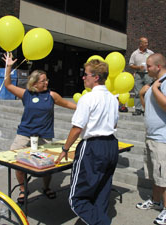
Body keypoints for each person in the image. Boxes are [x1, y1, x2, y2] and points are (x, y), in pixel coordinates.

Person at [3, 53, 76, 204]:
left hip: (44, 135)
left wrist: (87, 108)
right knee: (17, 162)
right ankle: (23, 189)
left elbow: (69, 105)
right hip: (25, 134)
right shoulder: (26, 94)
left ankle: (46, 187)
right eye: (43, 81)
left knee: (46, 165)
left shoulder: (52, 95)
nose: (47, 82)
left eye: (46, 79)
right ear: (35, 83)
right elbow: (8, 85)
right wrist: (9, 66)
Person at [56, 59, 119, 225]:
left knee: (77, 198)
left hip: (93, 147)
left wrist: (65, 148)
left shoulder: (88, 98)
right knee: (102, 191)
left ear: (96, 77)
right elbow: (114, 124)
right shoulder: (113, 99)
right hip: (111, 145)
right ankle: (100, 219)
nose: (83, 78)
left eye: (86, 75)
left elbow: (77, 128)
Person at [137, 53, 166, 224]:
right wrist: (143, 95)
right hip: (152, 136)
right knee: (156, 174)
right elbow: (148, 108)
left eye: (148, 66)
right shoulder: (153, 84)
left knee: (165, 175)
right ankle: (156, 201)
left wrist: (155, 89)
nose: (145, 69)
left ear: (158, 66)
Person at [129, 37, 154, 115]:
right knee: (137, 92)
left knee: (148, 92)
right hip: (138, 74)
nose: (147, 44)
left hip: (148, 74)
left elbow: (155, 62)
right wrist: (138, 67)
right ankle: (138, 109)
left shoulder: (150, 53)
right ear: (140, 44)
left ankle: (147, 109)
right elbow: (131, 65)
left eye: (147, 42)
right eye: (145, 42)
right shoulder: (135, 54)